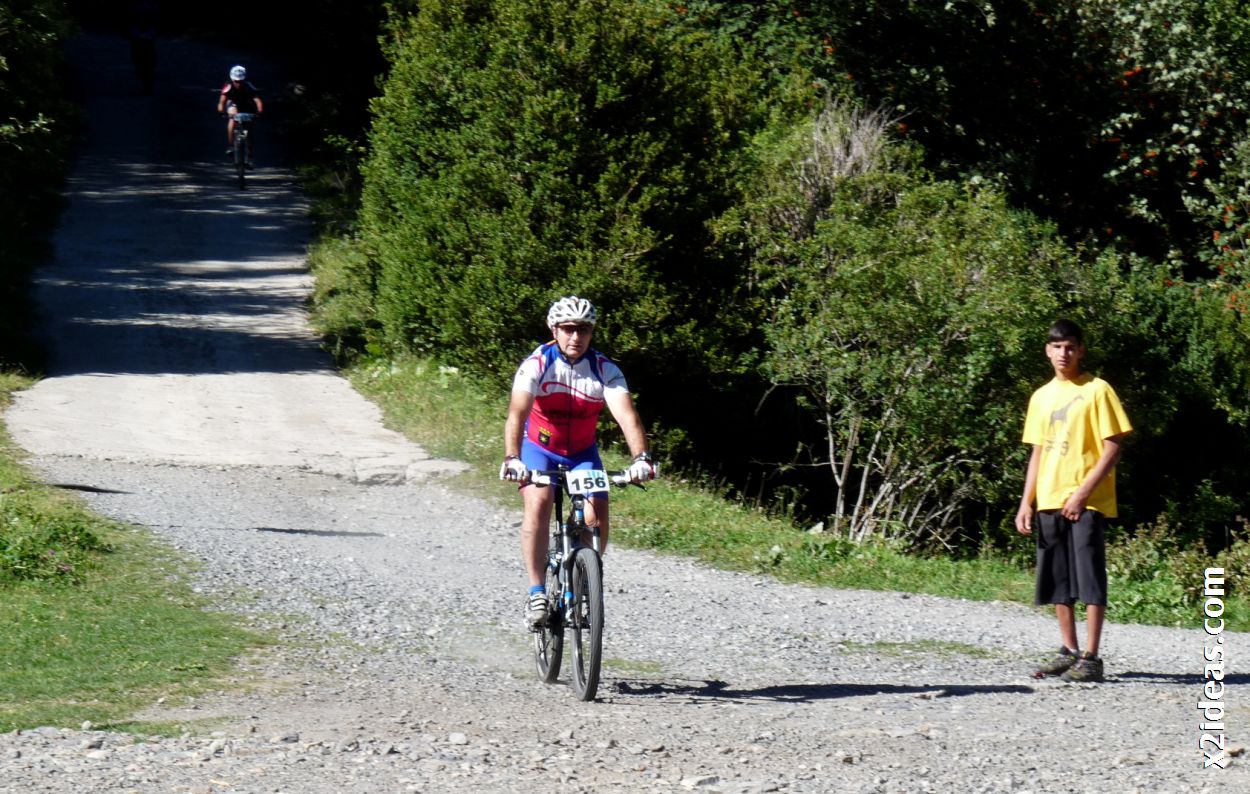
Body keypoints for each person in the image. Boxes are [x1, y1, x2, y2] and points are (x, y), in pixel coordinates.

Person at [501, 296, 657, 628]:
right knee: (539, 502)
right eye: (569, 329)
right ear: (554, 330)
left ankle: (585, 583)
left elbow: (627, 416)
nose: (576, 337)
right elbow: (517, 413)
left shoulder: (604, 370)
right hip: (539, 450)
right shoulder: (537, 364)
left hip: (582, 454)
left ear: (592, 332)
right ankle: (537, 592)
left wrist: (641, 458)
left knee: (596, 516)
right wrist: (512, 457)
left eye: (584, 329)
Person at [1015, 319, 1132, 683]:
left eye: (1070, 347)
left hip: (1086, 500)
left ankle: (1092, 657)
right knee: (1057, 577)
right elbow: (1037, 453)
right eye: (1057, 347)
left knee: (1090, 576)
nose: (1063, 353)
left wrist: (1082, 493)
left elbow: (1113, 447)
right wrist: (1026, 502)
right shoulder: (1041, 396)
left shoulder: (1097, 390)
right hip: (1049, 497)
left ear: (1080, 350)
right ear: (1047, 351)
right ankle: (1068, 650)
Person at [217, 65, 263, 164]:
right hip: (233, 104)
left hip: (247, 105)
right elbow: (222, 101)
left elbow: (257, 100)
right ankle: (231, 145)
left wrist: (259, 111)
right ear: (232, 79)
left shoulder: (249, 86)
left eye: (241, 81)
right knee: (232, 119)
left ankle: (250, 153)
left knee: (249, 130)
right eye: (236, 81)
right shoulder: (228, 86)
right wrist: (221, 111)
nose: (238, 83)